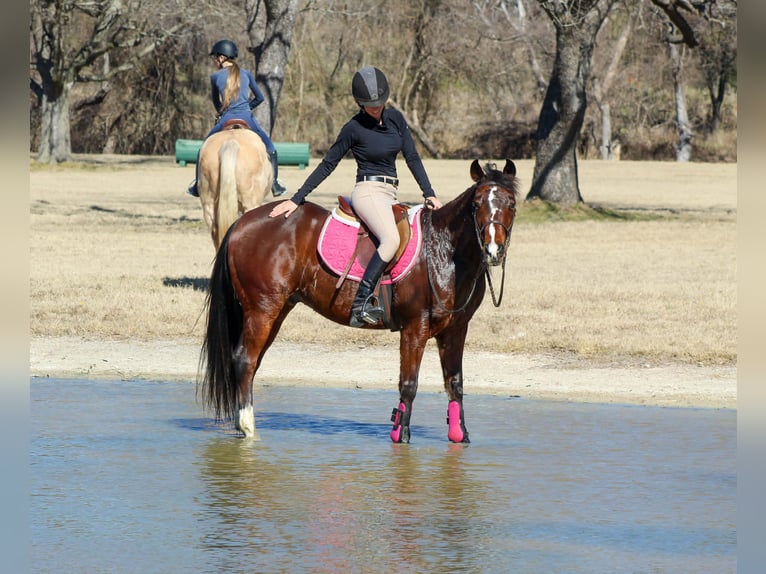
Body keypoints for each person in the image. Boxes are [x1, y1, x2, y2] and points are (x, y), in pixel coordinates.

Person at [269, 66, 443, 327]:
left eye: (379, 103)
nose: (375, 108)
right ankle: (361, 303)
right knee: (390, 239)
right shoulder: (353, 128)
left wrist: (429, 193)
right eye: (369, 105)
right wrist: (296, 199)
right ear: (360, 104)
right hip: (368, 192)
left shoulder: (396, 119)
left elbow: (413, 157)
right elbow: (328, 164)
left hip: (391, 193)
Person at [187, 39, 286, 197]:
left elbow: (215, 102)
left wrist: (222, 112)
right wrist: (246, 108)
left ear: (221, 58)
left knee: (203, 149)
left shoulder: (215, 77)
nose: (214, 62)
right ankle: (274, 183)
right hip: (247, 118)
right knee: (271, 149)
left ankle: (197, 186)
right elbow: (260, 97)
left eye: (214, 58)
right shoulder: (245, 73)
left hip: (226, 118)